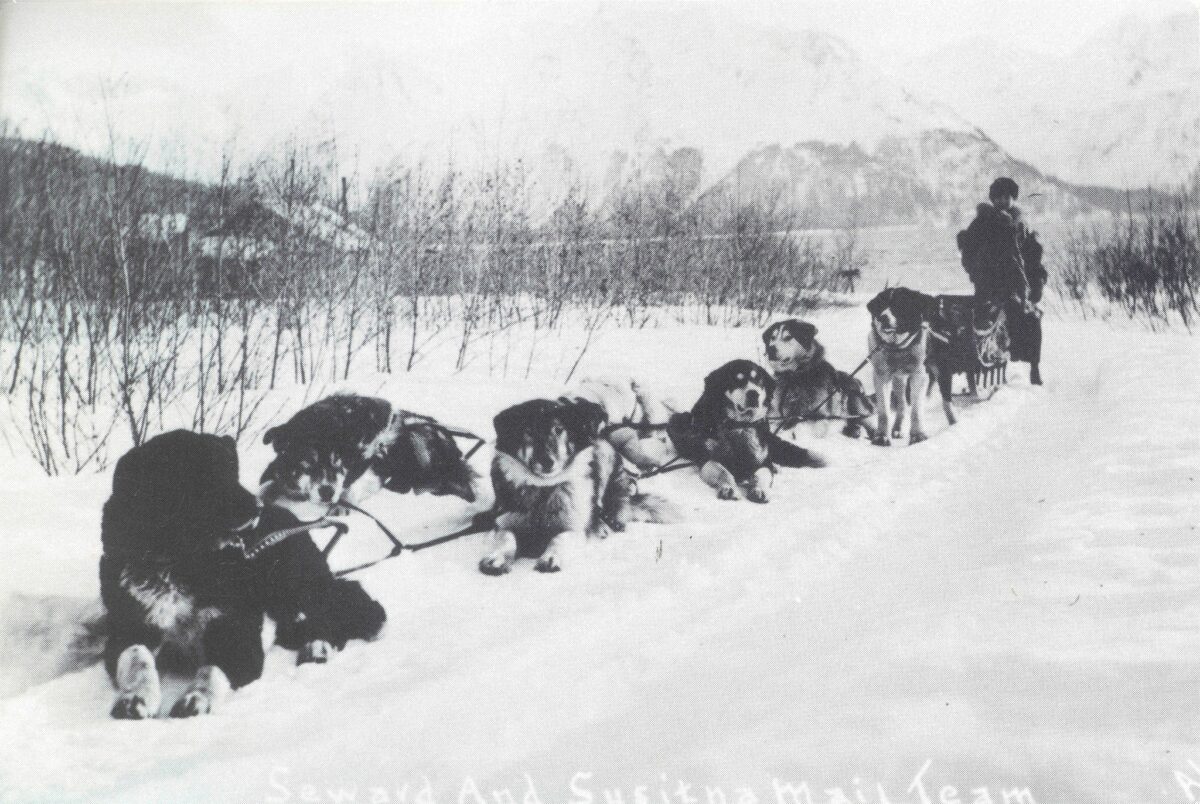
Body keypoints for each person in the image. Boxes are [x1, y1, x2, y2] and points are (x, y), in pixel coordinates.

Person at [956, 177, 1046, 384]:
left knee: (1028, 320)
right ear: (993, 199)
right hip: (988, 283)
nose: (1002, 201)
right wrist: (975, 269)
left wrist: (1036, 281)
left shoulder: (1020, 225)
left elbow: (1032, 257)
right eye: (998, 198)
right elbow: (968, 250)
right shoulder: (981, 223)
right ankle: (980, 358)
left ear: (1012, 199)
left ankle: (1033, 365)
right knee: (982, 321)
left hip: (1015, 284)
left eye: (1006, 197)